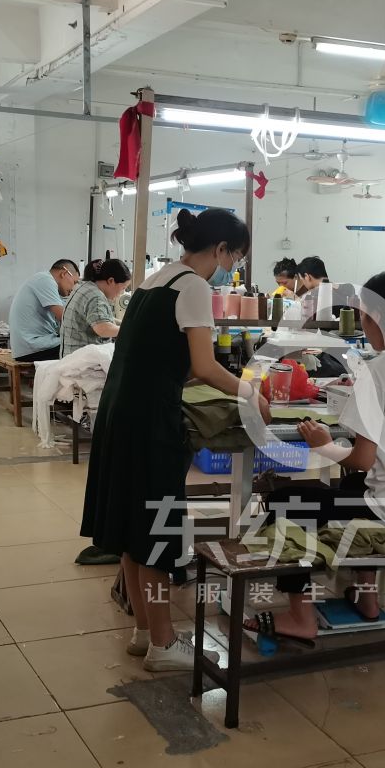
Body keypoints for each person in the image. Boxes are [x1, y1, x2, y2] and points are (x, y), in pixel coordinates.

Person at [81, 208, 270, 672]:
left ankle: (145, 633)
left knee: (132, 527)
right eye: (236, 258)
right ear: (221, 249)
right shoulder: (195, 286)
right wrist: (251, 392)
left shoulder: (155, 280)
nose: (234, 268)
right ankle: (165, 645)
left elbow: (170, 361)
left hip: (120, 413)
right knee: (156, 528)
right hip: (150, 422)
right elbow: (204, 366)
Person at [248, 269, 385, 641]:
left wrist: (322, 444)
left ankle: (300, 618)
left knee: (286, 503)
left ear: (376, 317)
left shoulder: (378, 372)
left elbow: (362, 458)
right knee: (354, 486)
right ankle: (367, 598)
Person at [9, 259, 79, 361]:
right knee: (87, 347)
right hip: (34, 348)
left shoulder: (51, 287)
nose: (74, 288)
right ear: (64, 273)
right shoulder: (45, 280)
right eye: (74, 282)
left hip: (32, 347)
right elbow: (66, 318)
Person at [61, 258, 130, 356]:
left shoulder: (85, 286)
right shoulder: (95, 297)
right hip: (83, 360)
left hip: (71, 355)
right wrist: (132, 330)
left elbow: (99, 319)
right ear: (111, 281)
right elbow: (103, 329)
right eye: (123, 288)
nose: (122, 293)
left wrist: (125, 324)